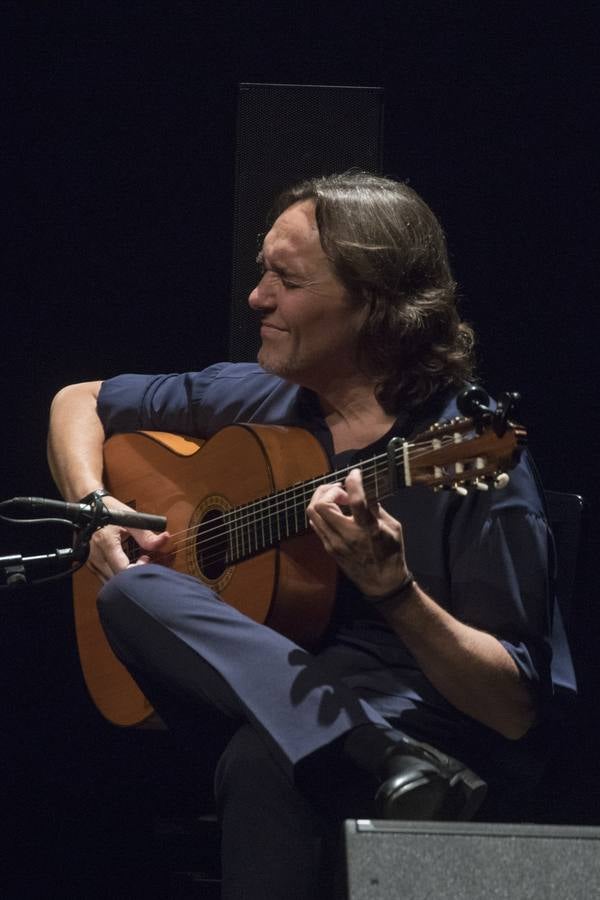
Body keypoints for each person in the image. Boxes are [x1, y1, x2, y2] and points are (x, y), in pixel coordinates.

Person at [47, 172, 575, 899]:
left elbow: (512, 710)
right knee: (132, 592)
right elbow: (79, 400)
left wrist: (394, 592)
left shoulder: (470, 459)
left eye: (286, 280)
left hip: (432, 715)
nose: (257, 296)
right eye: (263, 272)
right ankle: (377, 753)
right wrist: (96, 506)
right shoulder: (264, 396)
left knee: (266, 760)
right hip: (296, 687)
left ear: (377, 305)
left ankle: (387, 756)